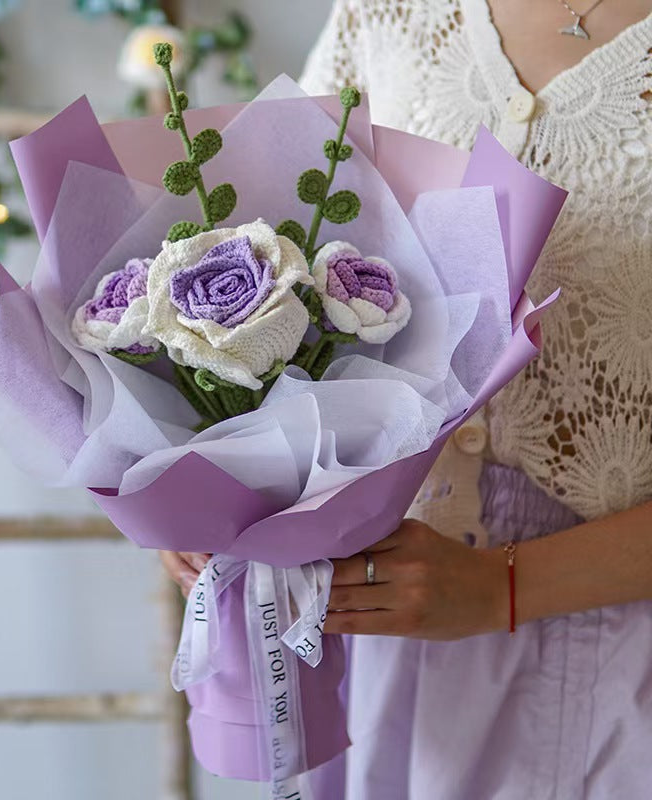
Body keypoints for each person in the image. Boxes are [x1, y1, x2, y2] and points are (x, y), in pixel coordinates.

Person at [161, 2, 652, 797]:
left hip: (619, 651)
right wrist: (205, 489)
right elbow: (273, 254)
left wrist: (502, 587)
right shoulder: (389, 12)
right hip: (375, 631)